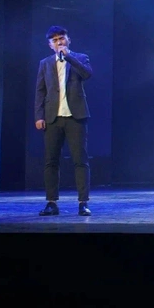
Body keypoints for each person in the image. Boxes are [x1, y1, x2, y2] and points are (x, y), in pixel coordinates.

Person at [34, 26, 93, 216]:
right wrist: (39, 115)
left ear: (68, 40)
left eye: (61, 38)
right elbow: (40, 91)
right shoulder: (45, 63)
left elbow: (87, 74)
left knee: (80, 161)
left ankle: (83, 203)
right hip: (52, 117)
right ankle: (51, 203)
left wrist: (68, 57)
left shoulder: (80, 58)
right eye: (55, 40)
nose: (59, 42)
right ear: (50, 45)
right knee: (51, 161)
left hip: (76, 116)